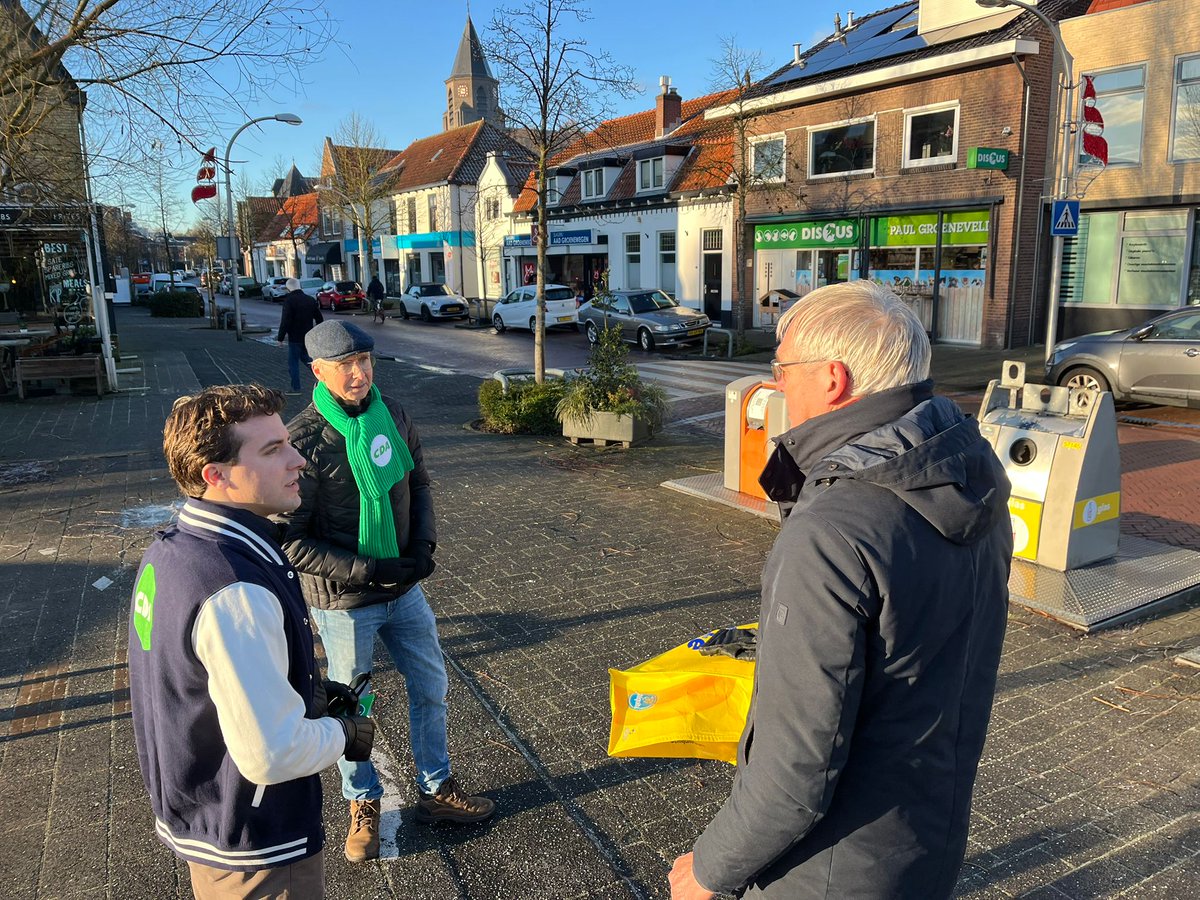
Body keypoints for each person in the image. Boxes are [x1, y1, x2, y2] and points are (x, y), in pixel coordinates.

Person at [669, 281, 1013, 900]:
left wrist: (712, 869)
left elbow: (796, 770)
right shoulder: (972, 474)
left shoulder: (834, 528)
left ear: (833, 379)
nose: (774, 385)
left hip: (829, 869)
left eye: (782, 369)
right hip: (927, 833)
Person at [127, 384, 376, 900]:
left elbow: (193, 679)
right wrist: (345, 733)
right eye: (272, 450)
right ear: (215, 475)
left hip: (208, 818)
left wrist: (304, 691)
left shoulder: (172, 549)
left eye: (289, 443)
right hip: (258, 844)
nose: (298, 460)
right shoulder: (233, 586)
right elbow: (271, 754)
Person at [279, 320, 495, 863]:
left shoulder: (392, 414)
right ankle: (362, 801)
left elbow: (417, 482)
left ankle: (436, 790)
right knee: (351, 707)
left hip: (404, 589)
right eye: (345, 365)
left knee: (431, 686)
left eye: (365, 361)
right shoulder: (302, 441)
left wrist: (422, 545)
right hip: (345, 602)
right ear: (318, 371)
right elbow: (292, 540)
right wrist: (368, 570)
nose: (359, 373)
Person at [276, 277, 323, 393]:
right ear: (299, 286)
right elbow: (319, 318)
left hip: (294, 337)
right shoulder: (310, 300)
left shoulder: (289, 301)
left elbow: (285, 321)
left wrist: (280, 338)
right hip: (308, 336)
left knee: (293, 363)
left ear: (288, 288)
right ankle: (324, 378)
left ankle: (296, 388)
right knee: (306, 358)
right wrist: (317, 333)